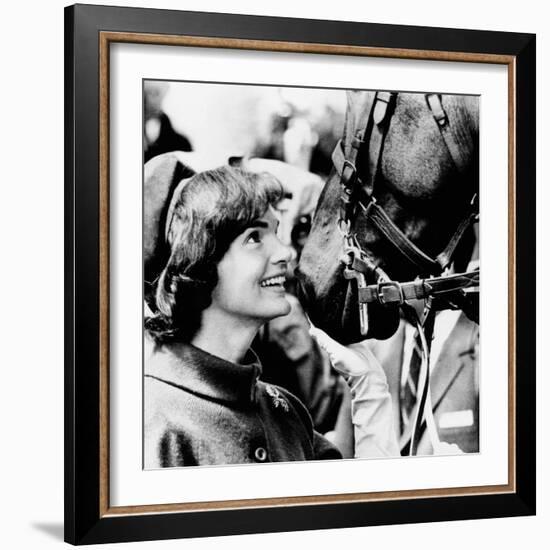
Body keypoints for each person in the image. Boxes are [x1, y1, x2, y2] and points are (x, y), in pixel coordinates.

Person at [144, 166, 344, 467]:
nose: (285, 252)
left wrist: (369, 392)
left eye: (275, 232)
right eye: (254, 237)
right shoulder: (151, 421)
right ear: (198, 262)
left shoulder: (288, 414)